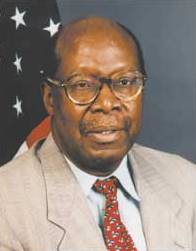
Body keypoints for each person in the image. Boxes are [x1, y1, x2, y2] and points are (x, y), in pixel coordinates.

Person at [0, 16, 196, 251]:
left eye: (124, 82)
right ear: (50, 99)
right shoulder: (7, 207)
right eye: (82, 85)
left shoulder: (186, 181)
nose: (106, 103)